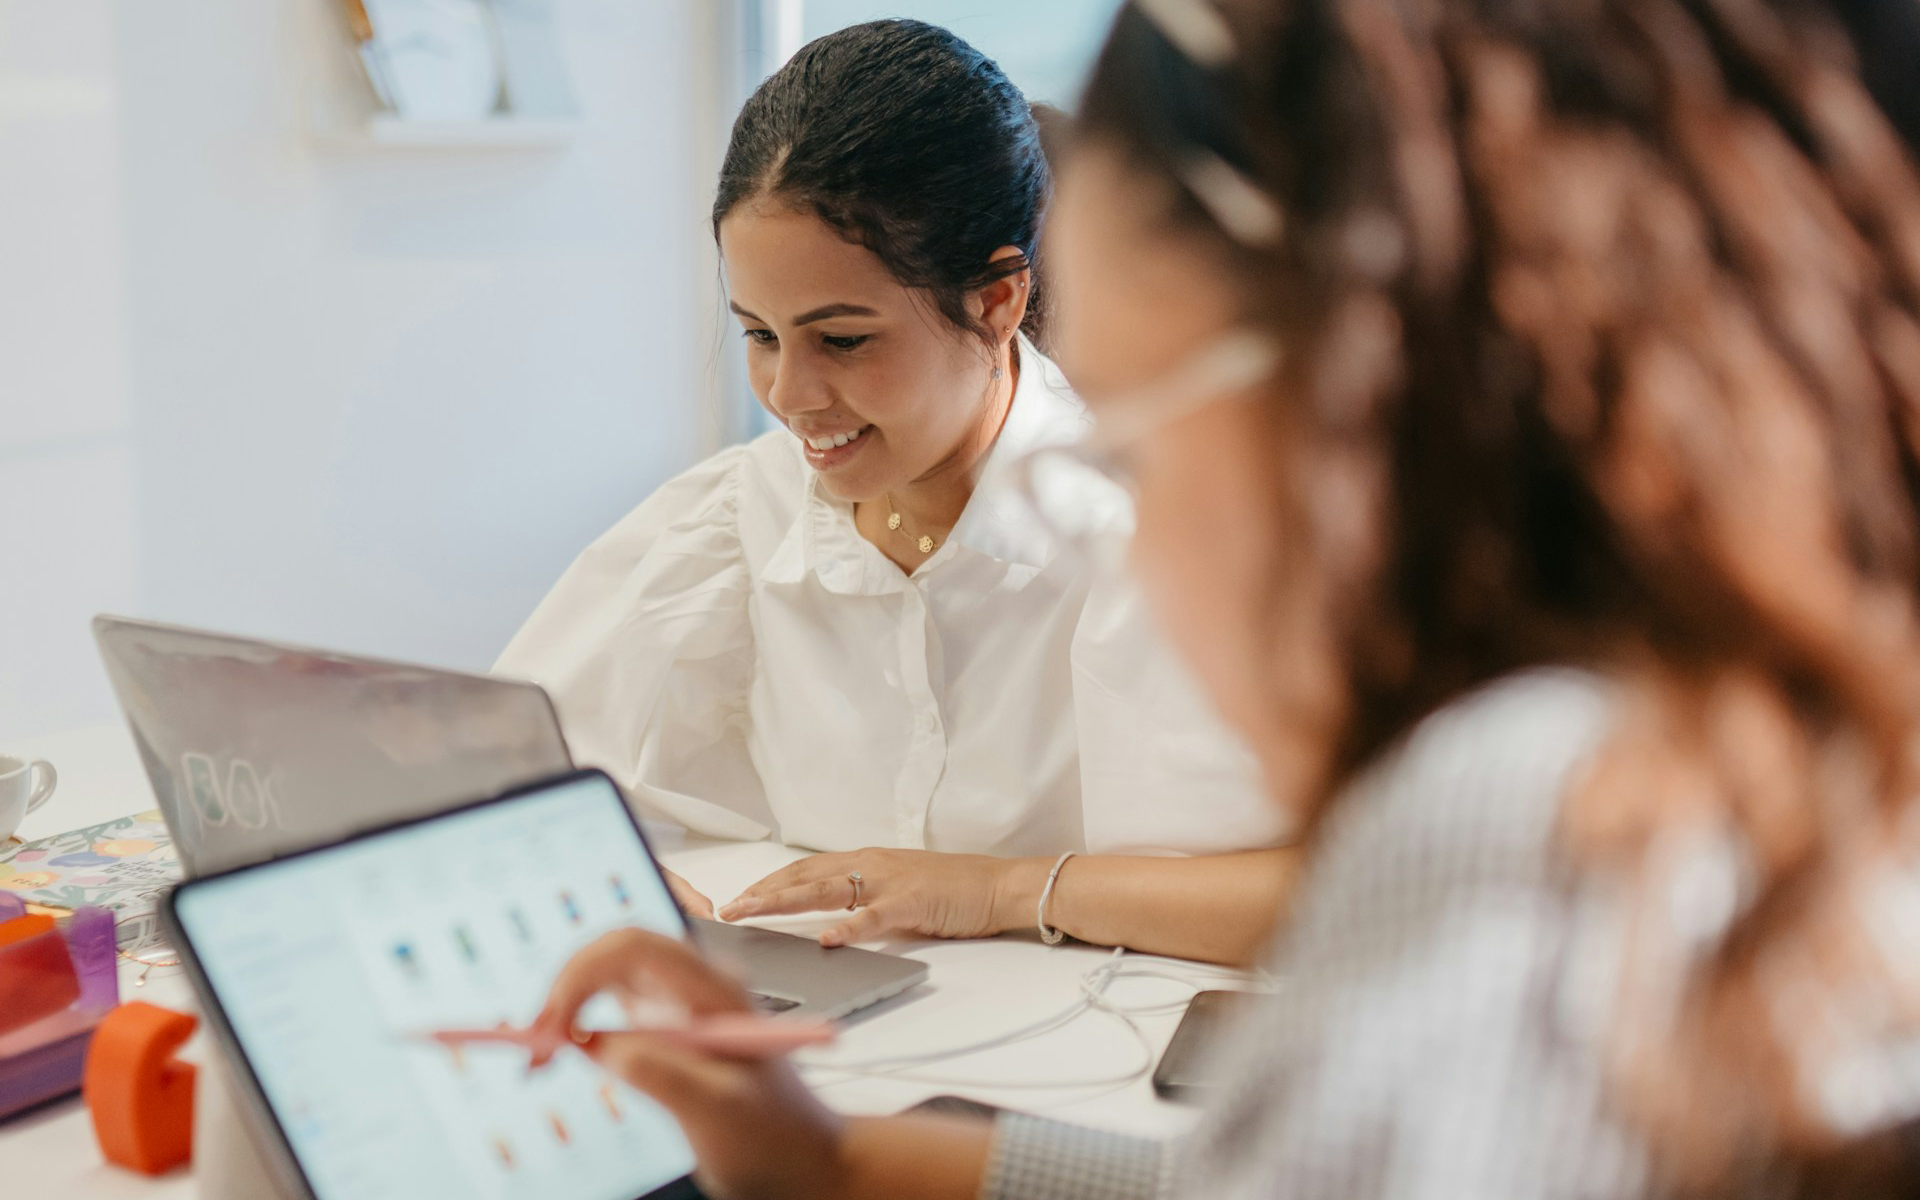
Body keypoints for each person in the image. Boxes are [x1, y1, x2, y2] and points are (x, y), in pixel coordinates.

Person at [526, 0, 1920, 1196]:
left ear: (1352, 405)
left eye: (1125, 433)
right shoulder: (1737, 752)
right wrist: (833, 1160)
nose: (1094, 505)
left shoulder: (1516, 818)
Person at [497, 19, 1292, 966]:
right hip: (838, 1054)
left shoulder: (1156, 534)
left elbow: (1340, 893)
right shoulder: (727, 522)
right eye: (758, 334)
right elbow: (503, 792)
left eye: (842, 340)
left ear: (997, 299)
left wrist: (999, 889)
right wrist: (608, 878)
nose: (789, 397)